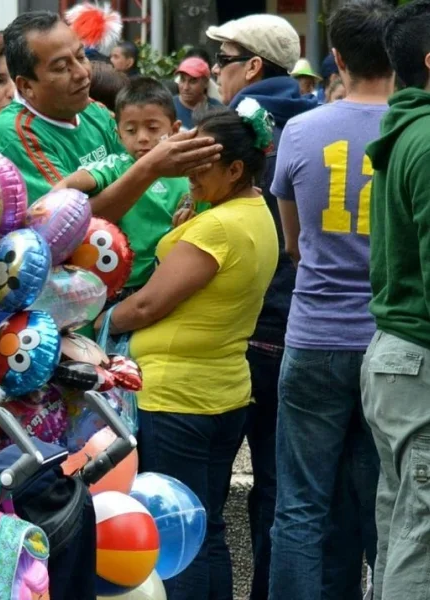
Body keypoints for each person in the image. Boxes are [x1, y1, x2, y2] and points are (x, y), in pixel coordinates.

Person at [97, 104, 279, 600]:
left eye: (200, 165)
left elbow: (150, 304)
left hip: (178, 398)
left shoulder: (217, 228)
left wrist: (102, 319)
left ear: (236, 170)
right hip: (220, 392)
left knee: (179, 533)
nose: (187, 174)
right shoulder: (254, 209)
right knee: (206, 526)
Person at [270, 3, 395, 599]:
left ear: (337, 60)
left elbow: (292, 243)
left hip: (314, 334)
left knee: (299, 505)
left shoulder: (301, 129)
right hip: (389, 343)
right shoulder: (414, 130)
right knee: (384, 505)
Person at [206, 16, 318, 598]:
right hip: (303, 326)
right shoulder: (321, 119)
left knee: (206, 483)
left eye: (222, 59)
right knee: (280, 485)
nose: (215, 72)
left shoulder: (226, 130)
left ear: (251, 67)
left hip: (234, 327)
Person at [363, 1, 430, 598]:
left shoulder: (406, 128)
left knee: (402, 531)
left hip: (397, 359)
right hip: (418, 363)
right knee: (421, 541)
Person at [56, 78, 201, 295]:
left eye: (152, 128)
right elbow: (78, 180)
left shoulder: (188, 172)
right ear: (119, 134)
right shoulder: (116, 166)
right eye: (131, 131)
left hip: (170, 281)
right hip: (123, 286)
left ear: (174, 129)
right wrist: (60, 190)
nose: (142, 138)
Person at [0, 11, 124, 203]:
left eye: (81, 56)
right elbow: (62, 217)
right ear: (26, 86)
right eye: (61, 67)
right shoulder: (14, 132)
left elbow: (131, 162)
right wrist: (149, 168)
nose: (82, 73)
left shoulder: (96, 111)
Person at [174, 57, 222, 130]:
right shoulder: (168, 108)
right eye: (182, 80)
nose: (185, 87)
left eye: (193, 81)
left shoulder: (218, 111)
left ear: (205, 83)